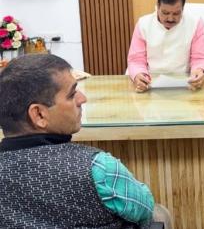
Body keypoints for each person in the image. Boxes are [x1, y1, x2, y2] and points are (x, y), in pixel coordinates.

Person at [0, 54, 171, 228]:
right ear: (39, 114)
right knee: (159, 213)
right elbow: (144, 210)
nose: (82, 98)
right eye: (72, 94)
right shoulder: (98, 168)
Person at [127, 0, 204, 93]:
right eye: (165, 13)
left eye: (176, 13)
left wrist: (199, 71)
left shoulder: (195, 23)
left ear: (183, 8)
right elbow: (136, 60)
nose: (170, 18)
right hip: (151, 83)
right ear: (157, 6)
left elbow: (200, 58)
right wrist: (139, 75)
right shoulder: (144, 24)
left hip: (185, 84)